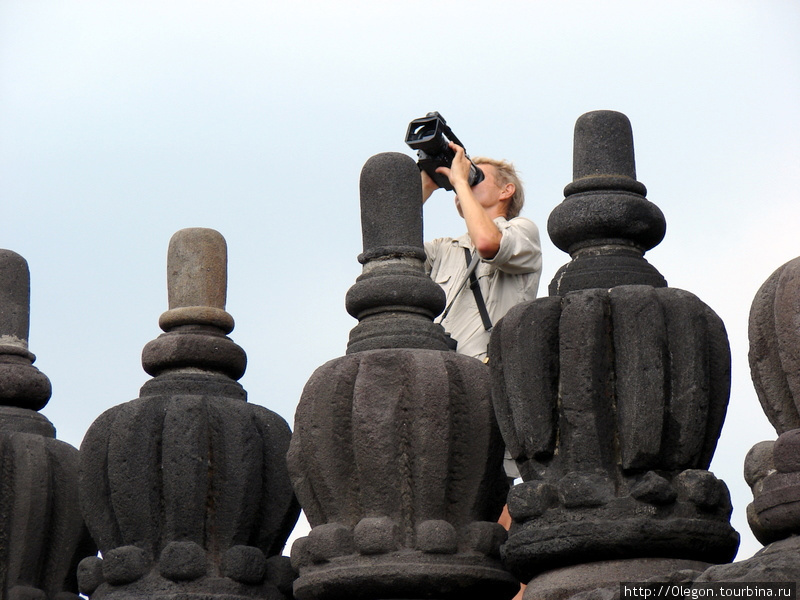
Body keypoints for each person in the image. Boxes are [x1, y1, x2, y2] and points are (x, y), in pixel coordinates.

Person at [422, 142, 542, 362]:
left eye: (474, 177)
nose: (464, 183)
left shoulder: (523, 230)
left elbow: (487, 243)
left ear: (506, 191)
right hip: (442, 374)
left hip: (490, 376)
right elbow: (392, 250)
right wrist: (426, 187)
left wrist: (460, 181)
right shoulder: (443, 249)